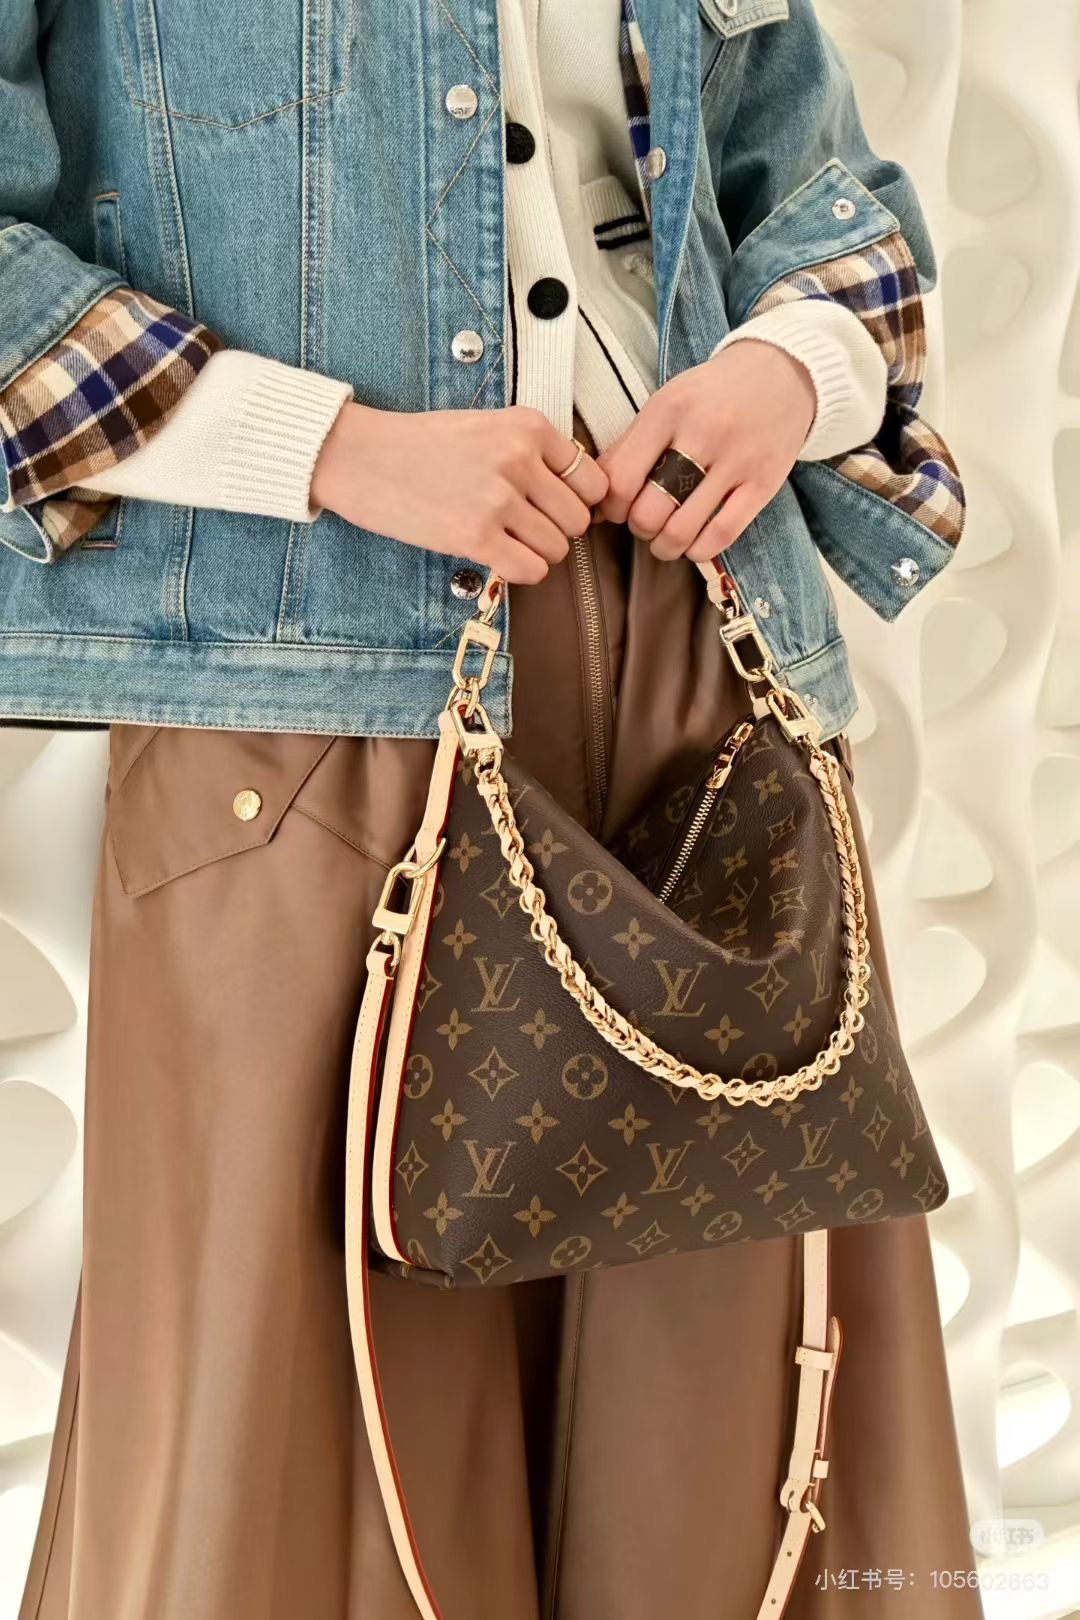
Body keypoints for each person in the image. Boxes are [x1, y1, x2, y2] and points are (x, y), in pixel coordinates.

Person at [2, 1, 977, 1616]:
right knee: (302, 1460)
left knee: (734, 1445)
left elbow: (814, 177)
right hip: (313, 692)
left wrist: (784, 375)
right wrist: (328, 446)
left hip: (704, 646)